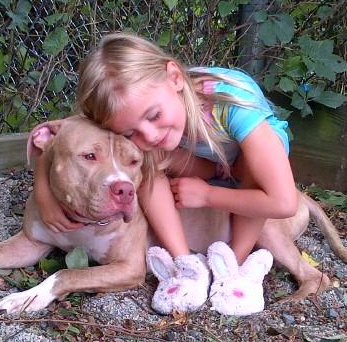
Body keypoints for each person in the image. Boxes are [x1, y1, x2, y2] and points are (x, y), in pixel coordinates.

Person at [33, 32, 298, 310]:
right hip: (209, 160)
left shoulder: (234, 107)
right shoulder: (128, 104)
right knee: (147, 159)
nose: (149, 134)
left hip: (245, 165)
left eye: (153, 116)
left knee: (254, 172)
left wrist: (207, 196)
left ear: (175, 78)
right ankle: (185, 265)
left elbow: (283, 202)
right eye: (130, 131)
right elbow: (57, 137)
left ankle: (232, 267)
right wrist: (44, 195)